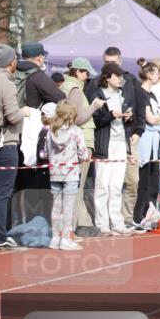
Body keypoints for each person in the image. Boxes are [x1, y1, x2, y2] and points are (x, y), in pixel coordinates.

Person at [0, 45, 31, 250]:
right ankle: (0, 236)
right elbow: (12, 116)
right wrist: (25, 111)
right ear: (11, 62)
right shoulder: (7, 85)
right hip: (6, 144)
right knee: (2, 192)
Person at [90, 62, 135, 236]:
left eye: (121, 76)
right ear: (107, 77)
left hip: (121, 144)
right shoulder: (98, 95)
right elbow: (95, 120)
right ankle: (102, 223)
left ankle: (117, 222)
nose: (120, 79)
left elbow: (128, 121)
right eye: (117, 76)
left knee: (116, 185)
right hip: (104, 144)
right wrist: (110, 115)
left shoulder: (123, 95)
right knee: (102, 185)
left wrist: (128, 117)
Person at [60, 58, 104, 232]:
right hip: (82, 142)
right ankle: (71, 229)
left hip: (71, 141)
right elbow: (78, 118)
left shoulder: (65, 87)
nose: (87, 77)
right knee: (76, 188)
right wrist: (94, 106)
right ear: (77, 72)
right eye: (85, 73)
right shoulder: (76, 90)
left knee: (71, 187)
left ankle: (79, 224)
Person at [40, 100, 88, 251]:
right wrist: (81, 158)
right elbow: (84, 153)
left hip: (55, 173)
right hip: (71, 173)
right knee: (68, 207)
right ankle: (65, 239)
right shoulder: (76, 132)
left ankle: (55, 238)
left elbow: (45, 154)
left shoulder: (50, 132)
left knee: (56, 206)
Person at [133, 61, 160, 228]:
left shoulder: (153, 94)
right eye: (154, 73)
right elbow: (151, 118)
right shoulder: (140, 93)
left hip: (154, 146)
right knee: (143, 183)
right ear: (148, 75)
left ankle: (150, 214)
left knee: (154, 182)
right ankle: (138, 216)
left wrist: (159, 118)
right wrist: (159, 119)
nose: (158, 76)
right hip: (145, 143)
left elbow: (157, 116)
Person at [17, 42, 66, 108]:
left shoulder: (13, 71)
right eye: (44, 57)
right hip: (31, 116)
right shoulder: (38, 75)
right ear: (39, 58)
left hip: (13, 114)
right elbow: (61, 98)